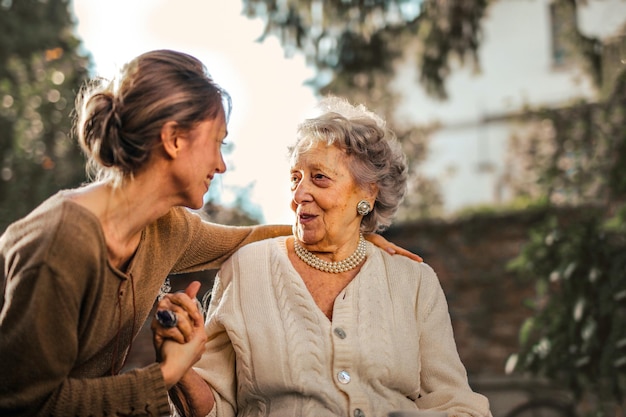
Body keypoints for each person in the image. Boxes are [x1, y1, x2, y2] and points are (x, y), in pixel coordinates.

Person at [0, 50, 418, 417]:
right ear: (174, 139)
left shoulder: (165, 228)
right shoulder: (62, 244)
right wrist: (167, 373)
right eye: (217, 142)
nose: (220, 165)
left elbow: (244, 238)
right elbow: (25, 403)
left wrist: (346, 234)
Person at [154, 97, 492, 416]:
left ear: (368, 193)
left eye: (319, 178)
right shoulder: (247, 269)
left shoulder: (414, 281)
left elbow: (454, 402)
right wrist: (180, 369)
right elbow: (214, 408)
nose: (300, 194)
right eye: (295, 179)